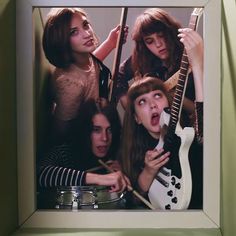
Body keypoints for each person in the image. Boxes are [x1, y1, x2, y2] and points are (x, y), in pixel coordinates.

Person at [42, 8, 128, 145]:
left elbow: (92, 67)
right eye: (74, 32)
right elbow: (61, 133)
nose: (86, 34)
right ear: (61, 41)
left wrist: (111, 43)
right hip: (79, 144)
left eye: (85, 25)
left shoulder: (82, 59)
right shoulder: (70, 84)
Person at [120, 75, 203, 209]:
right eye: (142, 102)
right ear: (137, 118)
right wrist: (148, 172)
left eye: (157, 96)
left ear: (169, 105)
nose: (153, 105)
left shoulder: (190, 139)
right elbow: (132, 202)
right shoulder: (133, 153)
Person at [37, 99, 130, 209]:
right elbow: (39, 173)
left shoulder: (115, 156)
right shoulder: (65, 153)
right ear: (85, 130)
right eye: (96, 130)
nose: (105, 138)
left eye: (109, 130)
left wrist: (124, 171)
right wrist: (100, 179)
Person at [113, 8, 203, 116]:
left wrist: (173, 96)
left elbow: (203, 110)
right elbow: (117, 77)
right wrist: (131, 109)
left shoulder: (189, 55)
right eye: (149, 41)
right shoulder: (143, 57)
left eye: (161, 36)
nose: (158, 44)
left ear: (171, 32)